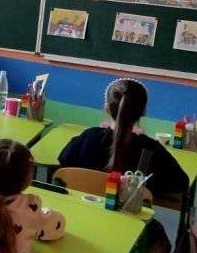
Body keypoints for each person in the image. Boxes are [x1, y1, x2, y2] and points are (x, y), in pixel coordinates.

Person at [58, 77, 188, 198]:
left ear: (107, 108)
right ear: (143, 112)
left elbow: (63, 163)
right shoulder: (150, 149)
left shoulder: (88, 138)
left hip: (84, 210)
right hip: (129, 215)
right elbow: (182, 183)